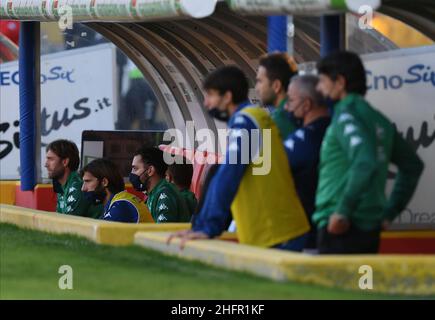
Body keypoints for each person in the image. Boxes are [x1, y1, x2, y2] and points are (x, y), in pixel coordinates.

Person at [168, 66, 310, 251]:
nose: (206, 103)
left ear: (227, 97)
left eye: (210, 95)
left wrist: (208, 227)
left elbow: (228, 174)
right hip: (275, 231)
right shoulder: (253, 119)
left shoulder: (246, 122)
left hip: (277, 232)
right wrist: (201, 226)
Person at [314, 51, 424, 254]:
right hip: (369, 226)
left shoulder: (345, 116)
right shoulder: (378, 118)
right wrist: (389, 213)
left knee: (336, 286)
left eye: (322, 81)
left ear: (340, 82)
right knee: (363, 285)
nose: (319, 88)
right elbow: (413, 166)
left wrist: (343, 211)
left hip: (340, 225)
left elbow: (365, 161)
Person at [283, 75, 331, 250]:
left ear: (307, 104)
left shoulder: (301, 141)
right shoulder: (339, 131)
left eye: (290, 100)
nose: (287, 106)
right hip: (336, 231)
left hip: (304, 234)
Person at [129, 146, 191, 223]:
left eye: (135, 169)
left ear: (150, 171)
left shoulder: (165, 194)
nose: (132, 173)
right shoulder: (154, 193)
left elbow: (162, 232)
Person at [81, 158, 153, 223]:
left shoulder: (121, 205)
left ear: (104, 182)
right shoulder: (118, 201)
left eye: (88, 181)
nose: (83, 188)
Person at [45, 139, 102, 218]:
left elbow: (67, 224)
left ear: (65, 162)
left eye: (51, 159)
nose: (46, 164)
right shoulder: (61, 184)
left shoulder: (78, 186)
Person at [255, 53, 299, 139]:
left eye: (260, 81)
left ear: (276, 86)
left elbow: (267, 152)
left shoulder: (273, 123)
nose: (256, 88)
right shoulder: (302, 113)